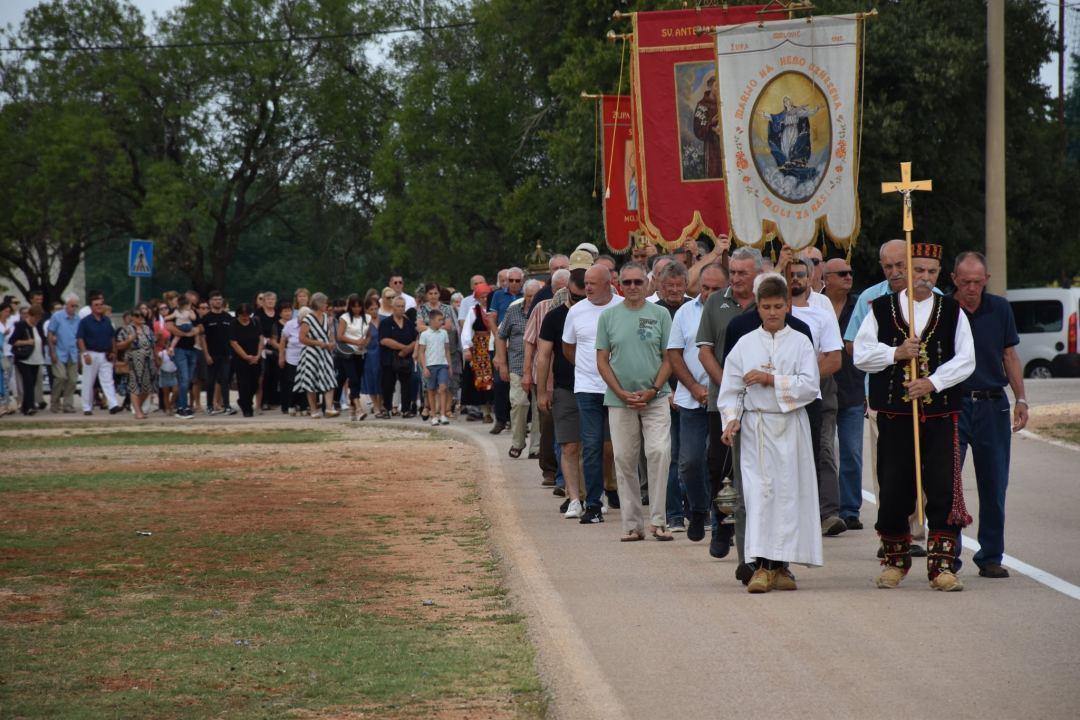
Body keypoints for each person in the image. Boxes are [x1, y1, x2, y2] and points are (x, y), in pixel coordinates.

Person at [854, 243, 975, 592]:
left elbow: (967, 359)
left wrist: (932, 382)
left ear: (939, 274)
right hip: (894, 415)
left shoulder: (952, 310)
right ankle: (895, 561)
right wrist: (895, 352)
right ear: (906, 270)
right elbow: (861, 354)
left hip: (938, 415)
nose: (924, 277)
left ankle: (941, 567)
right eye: (918, 270)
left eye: (931, 272)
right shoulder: (880, 308)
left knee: (941, 487)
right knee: (893, 487)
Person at [719, 274, 822, 593]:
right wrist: (732, 419)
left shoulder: (801, 341)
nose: (773, 312)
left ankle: (781, 568)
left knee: (789, 496)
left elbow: (810, 386)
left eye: (778, 306)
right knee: (759, 495)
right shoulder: (745, 344)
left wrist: (770, 380)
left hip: (790, 426)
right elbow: (732, 389)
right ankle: (760, 567)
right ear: (758, 308)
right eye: (766, 307)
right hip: (757, 428)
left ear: (787, 306)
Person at [844, 239, 943, 555]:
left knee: (926, 467)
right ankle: (891, 531)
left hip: (928, 400)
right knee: (886, 469)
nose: (895, 272)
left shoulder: (938, 300)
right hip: (884, 400)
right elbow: (853, 347)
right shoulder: (872, 299)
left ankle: (917, 528)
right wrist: (892, 354)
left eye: (901, 265)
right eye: (888, 266)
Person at [951, 251, 1028, 579]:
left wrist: (1022, 399)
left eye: (977, 282)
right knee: (949, 486)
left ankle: (991, 556)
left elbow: (1009, 356)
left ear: (987, 280)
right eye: (965, 281)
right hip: (954, 405)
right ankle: (947, 556)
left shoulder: (1000, 308)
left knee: (994, 484)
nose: (971, 288)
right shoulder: (943, 310)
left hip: (993, 405)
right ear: (953, 279)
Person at [596, 261, 674, 542]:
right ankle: (632, 524)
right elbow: (602, 360)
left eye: (637, 282)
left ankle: (659, 521)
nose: (632, 287)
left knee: (659, 453)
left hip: (655, 397)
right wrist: (619, 392)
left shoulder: (661, 314)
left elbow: (670, 358)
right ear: (620, 285)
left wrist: (653, 390)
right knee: (624, 459)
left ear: (648, 284)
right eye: (626, 282)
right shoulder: (608, 317)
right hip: (620, 400)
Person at [785, 255, 845, 536]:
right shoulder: (771, 313)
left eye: (800, 274)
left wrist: (804, 381)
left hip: (818, 391)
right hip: (777, 394)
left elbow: (834, 359)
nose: (795, 279)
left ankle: (829, 513)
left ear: (810, 278)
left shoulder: (822, 315)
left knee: (822, 449)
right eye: (789, 274)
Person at [668, 262, 728, 542]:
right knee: (689, 462)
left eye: (716, 288)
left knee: (719, 463)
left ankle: (721, 521)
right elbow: (674, 354)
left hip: (726, 399)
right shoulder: (685, 312)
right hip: (692, 400)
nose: (709, 293)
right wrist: (692, 387)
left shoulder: (734, 312)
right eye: (704, 287)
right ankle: (699, 509)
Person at [563, 264, 624, 525]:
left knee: (623, 448)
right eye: (585, 283)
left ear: (608, 283)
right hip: (588, 389)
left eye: (592, 283)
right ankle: (593, 503)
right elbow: (568, 347)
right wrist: (589, 369)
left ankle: (625, 498)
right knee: (592, 446)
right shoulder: (576, 311)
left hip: (620, 389)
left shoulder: (624, 306)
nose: (587, 287)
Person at [537, 270, 587, 516]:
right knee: (569, 446)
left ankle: (598, 493)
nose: (580, 302)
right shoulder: (555, 317)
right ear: (567, 291)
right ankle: (574, 498)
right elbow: (543, 356)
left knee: (600, 447)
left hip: (596, 388)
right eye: (576, 298)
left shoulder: (600, 313)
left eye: (585, 296)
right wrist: (542, 391)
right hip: (565, 388)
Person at [822, 258, 867, 529]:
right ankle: (827, 507)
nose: (848, 276)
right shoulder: (814, 304)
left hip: (852, 391)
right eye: (842, 273)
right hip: (822, 391)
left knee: (851, 451)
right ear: (826, 278)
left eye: (850, 272)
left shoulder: (860, 305)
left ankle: (850, 510)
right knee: (824, 452)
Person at [524, 268, 570, 488]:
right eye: (559, 289)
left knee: (566, 426)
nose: (562, 293)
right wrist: (525, 373)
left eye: (566, 289)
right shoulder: (542, 308)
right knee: (546, 423)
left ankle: (565, 473)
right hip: (543, 375)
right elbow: (529, 341)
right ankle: (550, 471)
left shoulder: (578, 309)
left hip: (566, 376)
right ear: (552, 290)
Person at [497, 280, 541, 458]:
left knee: (540, 408)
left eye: (535, 296)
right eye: (529, 296)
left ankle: (536, 447)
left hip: (540, 367)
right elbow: (501, 337)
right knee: (519, 403)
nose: (532, 300)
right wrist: (502, 364)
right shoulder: (513, 311)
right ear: (524, 295)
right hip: (516, 365)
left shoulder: (545, 311)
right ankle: (518, 442)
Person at [487, 267, 524, 435]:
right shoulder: (498, 295)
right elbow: (492, 319)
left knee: (522, 380)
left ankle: (522, 422)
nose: (514, 284)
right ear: (506, 281)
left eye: (517, 280)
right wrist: (499, 338)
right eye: (511, 280)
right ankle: (501, 420)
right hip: (501, 340)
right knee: (500, 381)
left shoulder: (527, 295)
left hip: (520, 343)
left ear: (522, 281)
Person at [294, 293, 339, 419]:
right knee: (311, 381)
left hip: (325, 353)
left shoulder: (325, 316)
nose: (326, 305)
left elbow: (329, 333)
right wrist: (319, 343)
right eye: (325, 303)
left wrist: (332, 342)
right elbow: (302, 338)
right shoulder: (307, 319)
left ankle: (329, 408)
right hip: (311, 354)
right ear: (318, 303)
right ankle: (313, 410)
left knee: (330, 378)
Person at [78, 293, 122, 416]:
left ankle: (113, 404)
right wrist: (85, 354)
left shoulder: (106, 320)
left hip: (105, 354)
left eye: (101, 305)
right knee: (88, 380)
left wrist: (114, 351)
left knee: (108, 380)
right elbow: (80, 338)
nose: (99, 307)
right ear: (91, 307)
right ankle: (87, 406)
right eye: (96, 305)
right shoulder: (85, 321)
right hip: (91, 353)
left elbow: (112, 337)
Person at [460, 284, 495, 424]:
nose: (486, 299)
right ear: (477, 298)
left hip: (495, 345)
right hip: (480, 349)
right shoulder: (473, 311)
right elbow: (466, 330)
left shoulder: (495, 310)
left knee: (497, 380)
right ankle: (486, 413)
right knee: (482, 381)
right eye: (482, 297)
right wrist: (466, 348)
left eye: (487, 296)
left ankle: (500, 413)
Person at [114, 308, 157, 419]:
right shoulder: (127, 330)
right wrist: (129, 340)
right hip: (135, 359)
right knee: (135, 386)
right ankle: (138, 411)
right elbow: (118, 346)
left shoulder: (147, 329)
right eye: (137, 315)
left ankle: (139, 408)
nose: (141, 317)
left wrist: (157, 358)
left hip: (149, 360)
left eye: (142, 315)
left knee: (147, 387)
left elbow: (153, 344)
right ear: (132, 317)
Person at [379, 297, 418, 417]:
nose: (401, 309)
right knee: (388, 384)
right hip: (389, 357)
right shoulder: (386, 322)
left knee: (406, 383)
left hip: (405, 358)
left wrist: (407, 350)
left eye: (402, 306)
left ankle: (406, 409)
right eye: (398, 306)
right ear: (393, 307)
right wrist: (403, 347)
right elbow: (384, 340)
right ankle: (386, 408)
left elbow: (415, 339)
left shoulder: (409, 323)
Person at [200, 291, 236, 416]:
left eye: (220, 299)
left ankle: (227, 405)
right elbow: (202, 338)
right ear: (210, 301)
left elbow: (232, 336)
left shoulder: (228, 317)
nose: (218, 301)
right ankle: (210, 405)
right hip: (212, 354)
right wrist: (206, 355)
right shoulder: (206, 318)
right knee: (211, 380)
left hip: (226, 353)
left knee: (225, 379)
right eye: (215, 299)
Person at [338, 294, 372, 422]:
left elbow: (369, 335)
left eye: (359, 306)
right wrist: (355, 341)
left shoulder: (367, 318)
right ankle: (359, 409)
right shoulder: (345, 318)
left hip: (361, 353)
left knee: (357, 379)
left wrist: (365, 342)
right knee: (353, 380)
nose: (357, 309)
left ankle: (352, 409)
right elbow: (340, 336)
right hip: (348, 353)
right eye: (354, 307)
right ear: (350, 307)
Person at [47, 294, 81, 414]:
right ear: (66, 305)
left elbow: (79, 337)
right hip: (59, 351)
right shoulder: (57, 316)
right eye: (72, 305)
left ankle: (68, 405)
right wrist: (52, 352)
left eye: (76, 306)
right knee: (61, 377)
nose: (74, 308)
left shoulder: (78, 318)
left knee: (72, 380)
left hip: (73, 352)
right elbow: (50, 334)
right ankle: (55, 402)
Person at [11, 304, 47, 416]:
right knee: (28, 382)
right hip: (24, 359)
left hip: (37, 359)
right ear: (30, 315)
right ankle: (30, 406)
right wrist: (27, 342)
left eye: (39, 317)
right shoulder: (22, 326)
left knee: (32, 383)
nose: (37, 320)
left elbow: (42, 340)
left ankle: (25, 407)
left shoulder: (38, 325)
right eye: (35, 317)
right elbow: (13, 341)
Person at [229, 303, 264, 418]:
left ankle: (243, 401)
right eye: (243, 315)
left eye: (247, 315)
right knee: (244, 384)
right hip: (241, 360)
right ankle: (247, 408)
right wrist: (245, 356)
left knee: (255, 384)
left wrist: (258, 355)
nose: (245, 317)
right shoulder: (234, 325)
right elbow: (234, 343)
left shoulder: (255, 322)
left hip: (255, 358)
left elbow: (260, 339)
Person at [418, 308, 452, 425]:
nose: (441, 322)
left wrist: (450, 366)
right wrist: (424, 367)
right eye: (439, 320)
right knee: (431, 390)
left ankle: (442, 414)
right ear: (432, 320)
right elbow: (421, 352)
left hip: (443, 364)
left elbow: (447, 350)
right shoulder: (424, 334)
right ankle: (433, 415)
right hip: (430, 365)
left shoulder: (444, 333)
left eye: (442, 320)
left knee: (443, 387)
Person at [254, 292, 279, 412]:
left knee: (275, 373)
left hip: (276, 346)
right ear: (263, 301)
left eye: (273, 299)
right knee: (265, 375)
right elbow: (255, 329)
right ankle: (264, 401)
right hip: (262, 347)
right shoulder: (258, 314)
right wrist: (264, 339)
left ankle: (273, 400)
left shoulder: (278, 313)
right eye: (268, 299)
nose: (270, 301)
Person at [361, 296, 385, 418]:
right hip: (369, 355)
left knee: (381, 380)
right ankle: (375, 406)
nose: (374, 311)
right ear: (366, 310)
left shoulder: (385, 320)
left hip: (382, 354)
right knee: (371, 379)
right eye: (371, 309)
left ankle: (380, 404)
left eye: (376, 308)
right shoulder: (363, 322)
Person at [279, 304, 304, 416]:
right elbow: (283, 341)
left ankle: (304, 406)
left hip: (306, 358)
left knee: (304, 382)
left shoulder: (309, 325)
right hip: (292, 358)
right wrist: (281, 357)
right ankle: (291, 405)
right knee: (292, 382)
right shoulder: (290, 325)